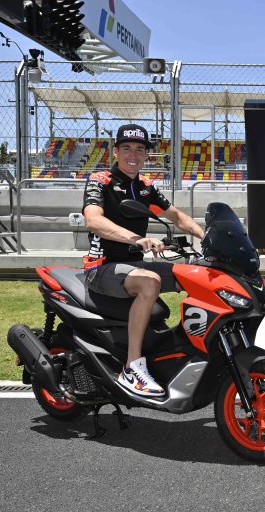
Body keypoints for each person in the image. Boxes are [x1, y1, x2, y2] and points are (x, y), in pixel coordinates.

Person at [82, 124, 205, 397]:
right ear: (116, 152)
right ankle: (132, 368)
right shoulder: (100, 181)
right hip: (102, 267)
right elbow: (93, 220)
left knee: (198, 274)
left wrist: (206, 237)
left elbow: (177, 216)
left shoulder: (145, 187)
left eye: (140, 149)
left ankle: (189, 351)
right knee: (150, 282)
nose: (133, 155)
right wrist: (137, 239)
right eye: (126, 148)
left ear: (147, 155)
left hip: (133, 267)